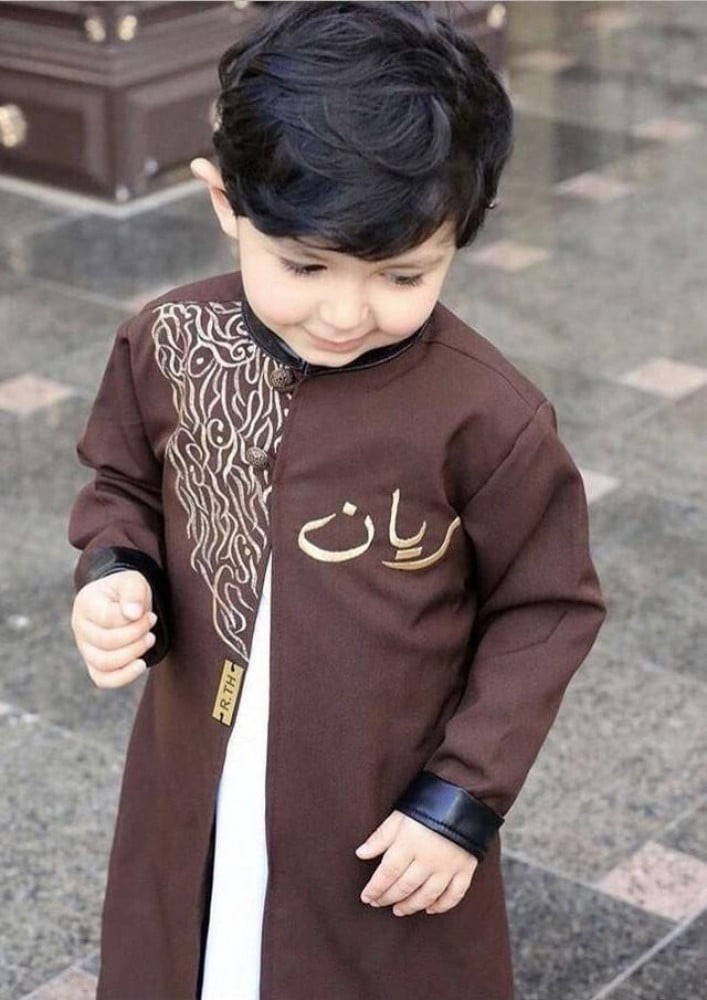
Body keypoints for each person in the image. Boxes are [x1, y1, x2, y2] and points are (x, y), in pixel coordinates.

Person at [68, 3, 605, 998]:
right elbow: (122, 483)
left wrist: (458, 801)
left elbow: (547, 605)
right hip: (196, 770)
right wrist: (115, 571)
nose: (345, 312)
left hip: (375, 814)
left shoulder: (483, 415)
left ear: (460, 235)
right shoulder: (171, 344)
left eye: (402, 274)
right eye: (304, 265)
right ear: (223, 201)